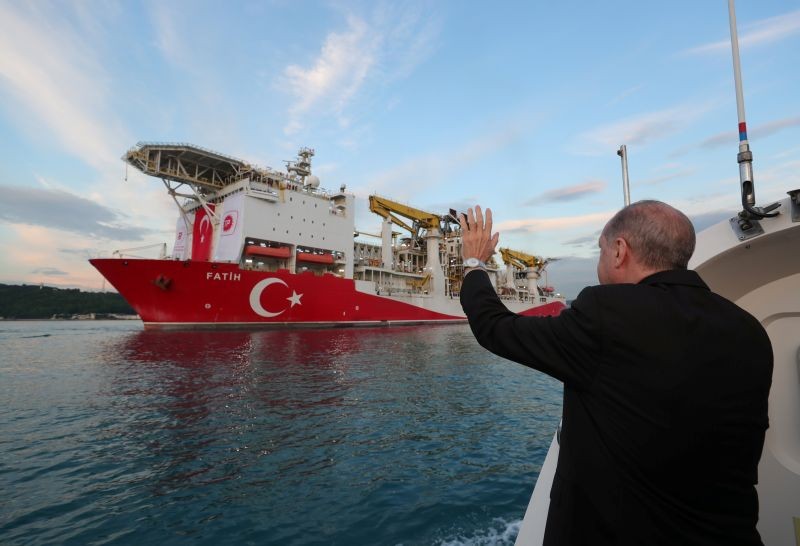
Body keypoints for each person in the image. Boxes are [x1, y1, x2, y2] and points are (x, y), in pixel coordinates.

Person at [458, 201, 773, 545]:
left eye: (601, 251)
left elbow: (495, 328)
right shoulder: (749, 330)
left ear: (620, 251)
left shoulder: (606, 315)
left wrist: (474, 264)